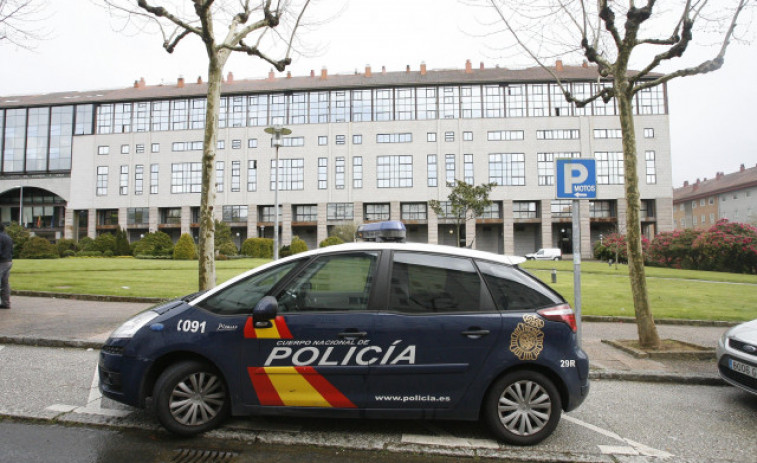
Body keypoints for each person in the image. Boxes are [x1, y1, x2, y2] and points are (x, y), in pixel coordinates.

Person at [0, 223, 13, 309]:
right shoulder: (8, 237)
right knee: (5, 283)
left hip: (1, 262)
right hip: (8, 261)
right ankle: (6, 302)